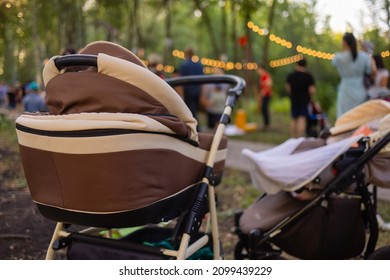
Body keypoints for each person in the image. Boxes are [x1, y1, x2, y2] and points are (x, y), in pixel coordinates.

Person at [332, 32, 372, 117]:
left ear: (344, 42)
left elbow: (334, 63)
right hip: (361, 89)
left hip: (346, 90)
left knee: (345, 116)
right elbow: (369, 71)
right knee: (360, 116)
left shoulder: (339, 57)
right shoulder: (364, 56)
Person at [286, 58, 316, 138]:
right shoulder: (308, 76)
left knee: (293, 118)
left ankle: (292, 138)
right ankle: (299, 138)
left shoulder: (291, 75)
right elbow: (312, 90)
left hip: (294, 99)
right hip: (304, 100)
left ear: (297, 64)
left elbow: (288, 88)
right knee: (302, 118)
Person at [179, 48, 204, 121]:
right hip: (197, 91)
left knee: (189, 110)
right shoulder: (199, 66)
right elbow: (202, 82)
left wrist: (181, 94)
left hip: (188, 92)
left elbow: (181, 81)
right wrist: (202, 94)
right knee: (195, 110)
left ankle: (194, 125)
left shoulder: (184, 65)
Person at [257, 64, 272, 130]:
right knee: (263, 109)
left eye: (259, 70)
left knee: (264, 109)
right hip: (264, 94)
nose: (258, 71)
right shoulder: (263, 77)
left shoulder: (266, 76)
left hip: (266, 95)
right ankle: (266, 124)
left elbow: (269, 85)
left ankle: (267, 124)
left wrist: (263, 92)